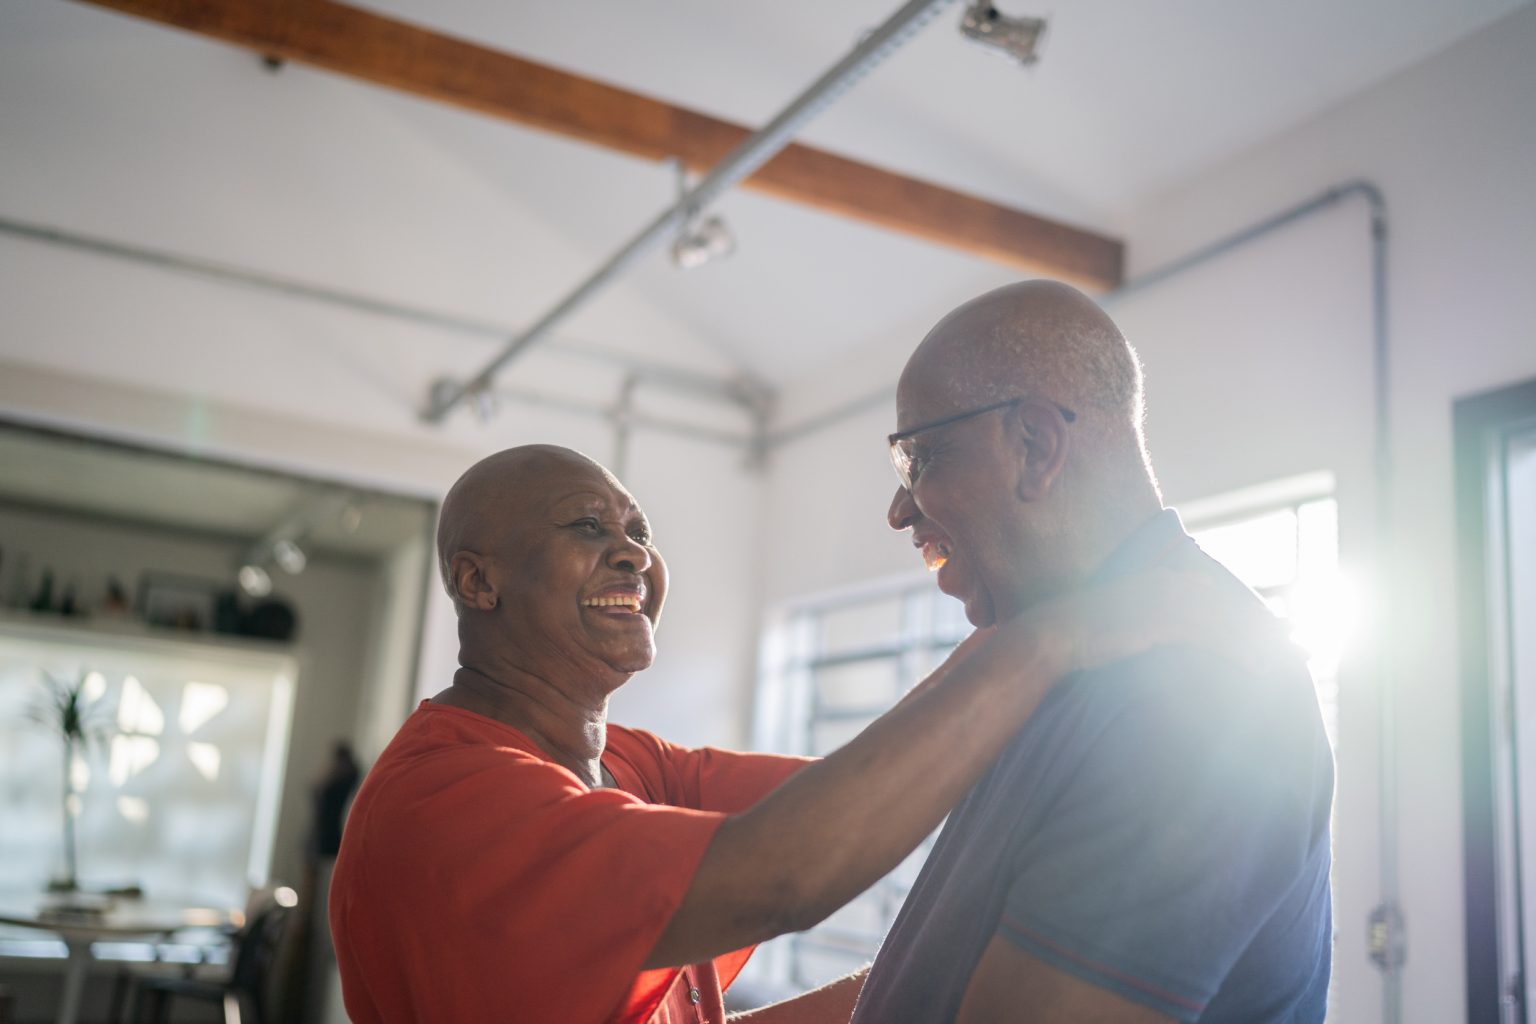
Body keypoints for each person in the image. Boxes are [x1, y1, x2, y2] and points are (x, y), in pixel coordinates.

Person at [329, 444, 1275, 1024]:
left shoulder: (625, 763)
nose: (634, 553)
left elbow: (872, 792)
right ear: (476, 582)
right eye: (589, 527)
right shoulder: (445, 800)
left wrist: (1009, 606)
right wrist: (1051, 637)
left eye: (640, 530)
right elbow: (788, 870)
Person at [828, 281, 1333, 1023]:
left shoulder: (1191, 694)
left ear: (1036, 447)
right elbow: (946, 966)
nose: (900, 509)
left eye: (923, 457)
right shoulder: (1053, 659)